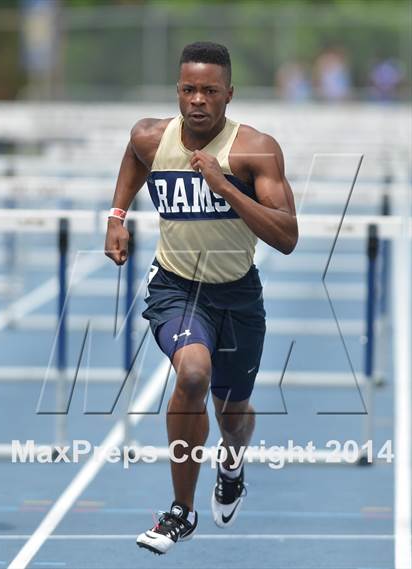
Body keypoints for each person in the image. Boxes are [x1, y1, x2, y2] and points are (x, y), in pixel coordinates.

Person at [104, 41, 298, 555]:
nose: (197, 100)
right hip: (175, 287)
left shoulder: (255, 149)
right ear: (178, 91)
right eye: (188, 89)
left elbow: (286, 237)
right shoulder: (153, 137)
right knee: (191, 374)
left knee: (232, 413)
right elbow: (134, 155)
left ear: (229, 95)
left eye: (209, 91)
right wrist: (117, 217)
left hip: (236, 295)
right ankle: (181, 511)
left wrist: (224, 185)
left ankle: (231, 461)